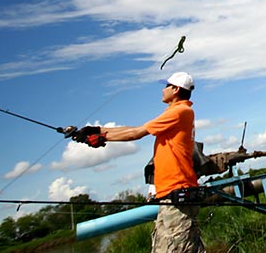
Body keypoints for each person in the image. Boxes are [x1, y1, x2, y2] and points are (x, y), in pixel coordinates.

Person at [76, 71, 206, 253]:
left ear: (175, 89)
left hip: (177, 192)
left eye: (166, 86)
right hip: (170, 194)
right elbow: (137, 129)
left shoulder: (179, 112)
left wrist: (102, 137)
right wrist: (96, 129)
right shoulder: (177, 113)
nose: (163, 90)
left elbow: (135, 134)